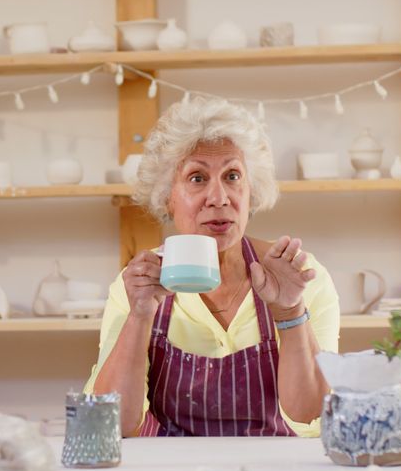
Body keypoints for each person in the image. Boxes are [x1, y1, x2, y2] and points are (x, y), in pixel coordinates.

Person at [85, 97, 340, 437]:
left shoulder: (299, 275)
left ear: (251, 189)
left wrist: (290, 311)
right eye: (196, 178)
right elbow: (109, 422)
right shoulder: (137, 286)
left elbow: (311, 414)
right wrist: (140, 315)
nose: (219, 197)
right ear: (166, 196)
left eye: (232, 175)